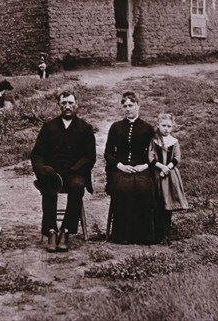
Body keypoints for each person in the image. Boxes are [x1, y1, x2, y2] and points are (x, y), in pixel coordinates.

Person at [31, 91, 96, 252]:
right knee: (49, 186)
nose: (67, 106)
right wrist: (43, 169)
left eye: (71, 103)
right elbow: (37, 154)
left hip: (76, 172)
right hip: (53, 172)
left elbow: (90, 157)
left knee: (77, 186)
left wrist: (76, 168)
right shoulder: (49, 127)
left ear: (76, 104)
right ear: (59, 105)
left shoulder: (85, 128)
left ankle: (66, 231)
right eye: (64, 103)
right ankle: (51, 231)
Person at [104, 91, 159, 245]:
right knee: (122, 188)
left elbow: (154, 153)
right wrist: (120, 165)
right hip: (120, 168)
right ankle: (122, 235)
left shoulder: (147, 128)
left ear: (138, 106)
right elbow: (108, 153)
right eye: (125, 106)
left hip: (141, 168)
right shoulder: (116, 127)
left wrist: (145, 166)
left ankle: (142, 235)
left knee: (142, 188)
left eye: (131, 105)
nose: (128, 109)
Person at [149, 113, 189, 241]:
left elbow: (177, 157)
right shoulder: (154, 141)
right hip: (157, 173)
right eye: (163, 125)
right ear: (158, 125)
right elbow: (151, 157)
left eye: (169, 126)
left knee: (168, 201)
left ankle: (167, 229)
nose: (166, 128)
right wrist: (162, 167)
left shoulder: (174, 141)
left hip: (170, 175)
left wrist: (168, 168)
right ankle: (157, 230)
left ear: (172, 127)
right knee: (158, 201)